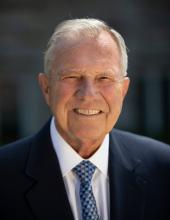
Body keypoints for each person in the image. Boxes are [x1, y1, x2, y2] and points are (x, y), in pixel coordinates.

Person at [0, 18, 170, 220]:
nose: (88, 94)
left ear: (123, 90)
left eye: (104, 78)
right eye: (72, 77)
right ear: (46, 88)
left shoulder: (163, 168)